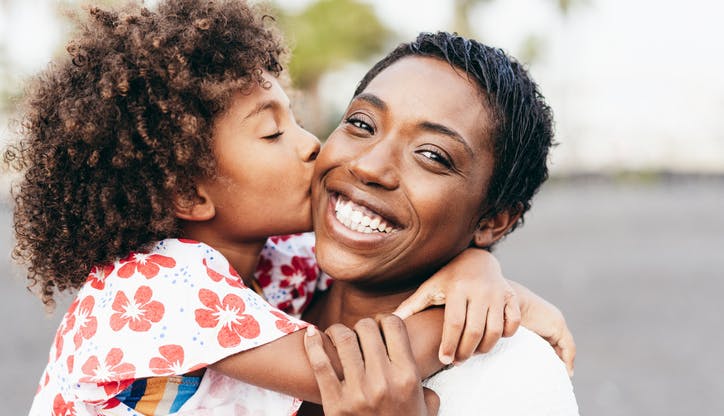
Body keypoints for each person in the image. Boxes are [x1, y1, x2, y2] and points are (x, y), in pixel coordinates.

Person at [3, 0, 573, 414]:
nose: (313, 145)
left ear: (493, 218)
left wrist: (480, 267)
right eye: (274, 134)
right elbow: (344, 369)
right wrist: (504, 306)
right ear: (189, 195)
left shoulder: (277, 262)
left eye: (431, 154)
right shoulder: (152, 284)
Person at [300, 32, 579, 415]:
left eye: (432, 155)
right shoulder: (256, 283)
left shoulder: (514, 379)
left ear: (493, 221)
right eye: (362, 124)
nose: (368, 166)